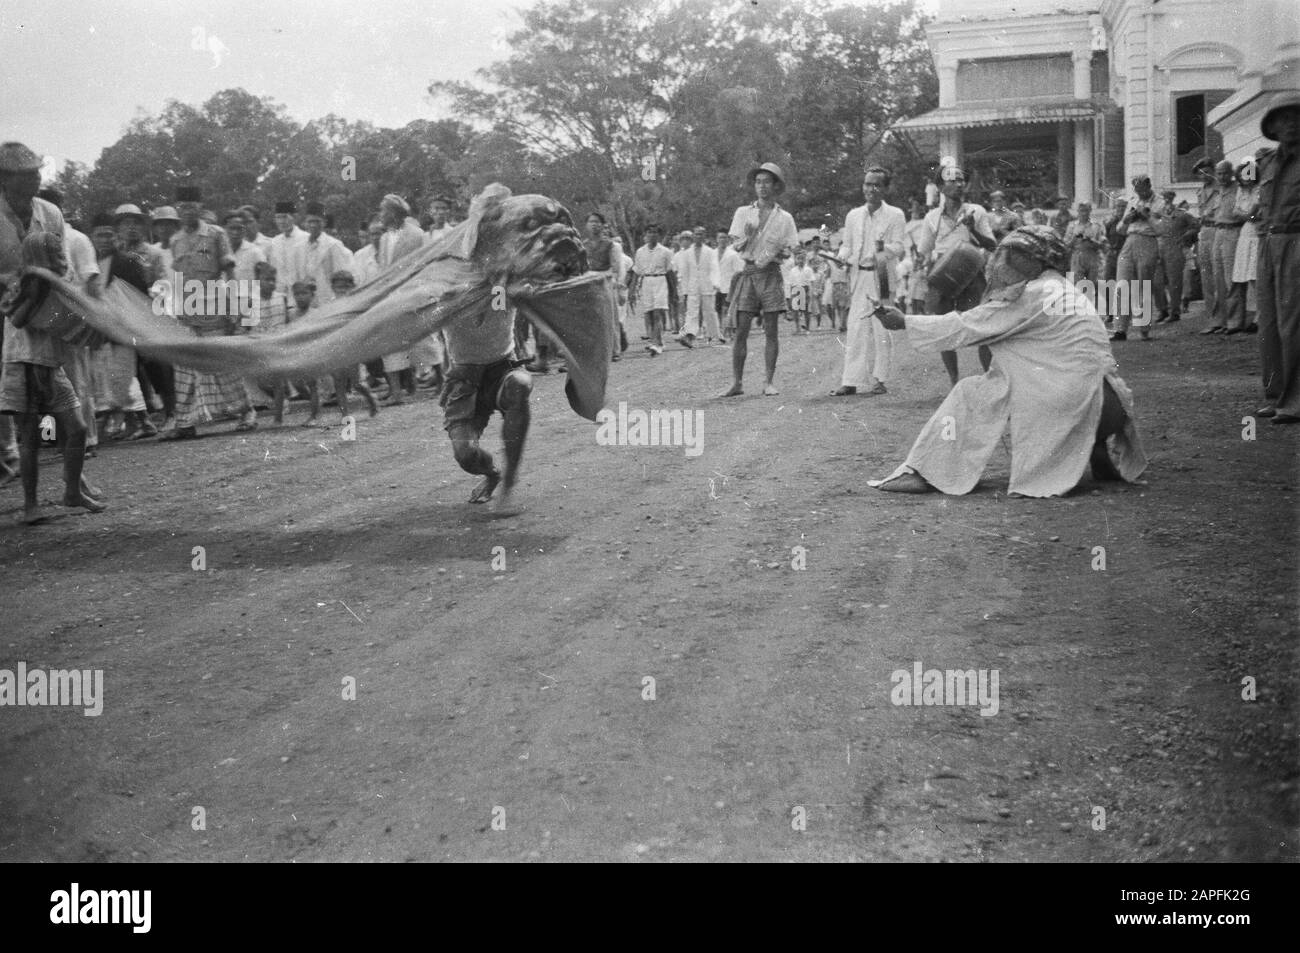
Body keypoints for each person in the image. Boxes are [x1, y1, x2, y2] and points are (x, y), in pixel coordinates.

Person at [870, 225, 1146, 497]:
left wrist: (905, 322)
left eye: (1013, 258)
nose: (1005, 265)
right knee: (1036, 369)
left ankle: (922, 472)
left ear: (1034, 262)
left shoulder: (1032, 294)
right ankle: (1097, 452)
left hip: (1072, 406)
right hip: (1112, 406)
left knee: (970, 392)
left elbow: (967, 326)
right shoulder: (1065, 289)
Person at [0, 141, 104, 522]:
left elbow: (61, 265)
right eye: (28, 173)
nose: (37, 178)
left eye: (37, 171)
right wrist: (24, 285)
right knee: (31, 430)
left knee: (73, 426)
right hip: (21, 343)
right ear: (5, 179)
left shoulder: (51, 213)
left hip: (51, 337)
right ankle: (31, 502)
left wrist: (54, 283)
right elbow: (16, 312)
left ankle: (72, 488)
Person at [160, 184, 257, 440]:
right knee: (184, 369)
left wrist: (235, 307)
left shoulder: (215, 234)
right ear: (178, 210)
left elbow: (230, 272)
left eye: (192, 206)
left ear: (200, 208)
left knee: (221, 365)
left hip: (215, 307)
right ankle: (185, 423)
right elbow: (179, 277)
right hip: (188, 311)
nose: (187, 211)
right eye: (183, 207)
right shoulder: (175, 240)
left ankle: (246, 412)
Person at [439, 272, 535, 504]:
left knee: (519, 386)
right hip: (464, 379)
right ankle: (493, 475)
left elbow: (534, 294)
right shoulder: (445, 289)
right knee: (466, 455)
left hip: (503, 369)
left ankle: (509, 483)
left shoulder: (505, 285)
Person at [915, 160, 997, 385]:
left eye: (961, 180)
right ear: (941, 187)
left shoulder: (977, 211)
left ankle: (991, 378)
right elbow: (924, 252)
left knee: (982, 328)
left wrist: (972, 229)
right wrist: (921, 274)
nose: (959, 184)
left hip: (971, 271)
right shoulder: (932, 218)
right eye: (952, 180)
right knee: (944, 329)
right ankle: (954, 380)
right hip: (944, 275)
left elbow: (992, 245)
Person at [721, 162, 798, 397]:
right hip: (749, 272)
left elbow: (790, 249)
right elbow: (736, 245)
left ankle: (769, 381)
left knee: (771, 331)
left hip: (771, 275)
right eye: (758, 182)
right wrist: (749, 233)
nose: (762, 186)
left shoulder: (784, 217)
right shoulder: (743, 212)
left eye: (767, 182)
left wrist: (779, 252)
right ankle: (737, 382)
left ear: (776, 186)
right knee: (741, 330)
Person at [832, 165, 905, 396]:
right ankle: (851, 380)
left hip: (882, 273)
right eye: (867, 184)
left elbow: (899, 246)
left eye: (876, 185)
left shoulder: (895, 214)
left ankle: (880, 379)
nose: (871, 189)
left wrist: (880, 252)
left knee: (882, 329)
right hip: (859, 275)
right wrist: (842, 257)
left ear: (885, 189)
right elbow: (847, 245)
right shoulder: (853, 215)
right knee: (855, 328)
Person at [1253, 94, 1300, 423]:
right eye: (1282, 119)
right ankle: (1274, 394)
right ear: (1272, 126)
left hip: (1296, 241)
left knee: (1293, 324)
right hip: (1268, 243)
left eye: (1296, 117)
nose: (1290, 124)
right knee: (1267, 323)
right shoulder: (1266, 163)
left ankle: (1295, 400)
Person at [88, 212, 153, 441]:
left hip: (124, 328)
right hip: (100, 330)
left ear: (116, 237)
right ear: (92, 237)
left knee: (123, 375)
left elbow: (140, 296)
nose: (104, 240)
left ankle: (140, 421)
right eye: (100, 235)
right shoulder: (90, 264)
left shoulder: (126, 261)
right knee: (111, 377)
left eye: (108, 235)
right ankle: (136, 421)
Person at [377, 194, 425, 402]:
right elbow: (383, 268)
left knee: (422, 341)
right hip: (390, 296)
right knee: (389, 342)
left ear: (394, 213)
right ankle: (396, 390)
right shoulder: (384, 238)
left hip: (411, 292)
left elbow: (423, 263)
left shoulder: (416, 234)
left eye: (384, 211)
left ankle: (433, 382)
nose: (381, 215)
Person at [1111, 175, 1166, 342]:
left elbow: (1161, 228)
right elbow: (1120, 229)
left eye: (1142, 188)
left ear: (1149, 186)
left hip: (1148, 240)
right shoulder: (1133, 201)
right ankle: (1120, 329)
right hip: (1129, 241)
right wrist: (1127, 219)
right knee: (1122, 285)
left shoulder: (1160, 202)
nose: (1140, 192)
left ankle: (1144, 328)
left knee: (1143, 285)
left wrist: (1147, 216)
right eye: (1136, 189)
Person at [1207, 159, 1249, 334]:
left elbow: (1243, 213)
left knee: (1231, 278)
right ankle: (1219, 321)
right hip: (1218, 233)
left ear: (1231, 173)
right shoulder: (1216, 192)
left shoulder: (1239, 189)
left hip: (1233, 232)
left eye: (1225, 173)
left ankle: (1234, 321)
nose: (1222, 177)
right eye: (1219, 173)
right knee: (1217, 278)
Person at [673, 225, 722, 348]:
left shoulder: (710, 252)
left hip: (707, 284)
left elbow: (714, 268)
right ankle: (690, 336)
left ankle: (716, 334)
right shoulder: (687, 253)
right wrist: (684, 288)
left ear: (704, 236)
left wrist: (716, 283)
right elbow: (684, 271)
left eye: (701, 234)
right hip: (692, 285)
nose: (698, 236)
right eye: (696, 234)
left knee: (709, 310)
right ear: (693, 236)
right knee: (692, 312)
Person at [1154, 189, 1196, 324]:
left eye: (1169, 197)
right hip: (1159, 247)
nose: (1167, 200)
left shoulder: (1181, 214)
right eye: (1164, 197)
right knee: (1157, 281)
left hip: (1175, 248)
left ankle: (1174, 312)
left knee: (1174, 282)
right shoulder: (1157, 214)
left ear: (1173, 198)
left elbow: (1196, 225)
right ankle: (1162, 310)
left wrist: (1187, 235)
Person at [1229, 159, 1261, 334]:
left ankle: (1260, 317)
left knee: (1256, 276)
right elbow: (1236, 213)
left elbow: (1255, 213)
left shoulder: (1259, 190)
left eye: (1250, 175)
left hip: (1257, 234)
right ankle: (1255, 314)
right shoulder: (1240, 191)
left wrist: (1248, 215)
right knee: (1248, 276)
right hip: (1246, 233)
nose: (1247, 179)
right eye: (1244, 175)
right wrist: (1248, 216)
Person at [632, 224, 673, 356]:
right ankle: (653, 340)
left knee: (657, 312)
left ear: (659, 235)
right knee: (648, 313)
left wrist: (674, 292)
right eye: (649, 232)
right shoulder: (640, 252)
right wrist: (632, 290)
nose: (652, 235)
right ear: (645, 234)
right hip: (646, 282)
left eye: (655, 232)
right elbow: (636, 272)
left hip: (660, 280)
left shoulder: (665, 251)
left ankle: (658, 343)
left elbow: (670, 272)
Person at [1063, 202, 1108, 320]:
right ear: (1077, 211)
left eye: (1086, 210)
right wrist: (1075, 238)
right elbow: (1066, 245)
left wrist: (1091, 240)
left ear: (1090, 211)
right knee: (1078, 286)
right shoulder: (1072, 225)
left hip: (1093, 256)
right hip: (1077, 256)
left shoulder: (1097, 226)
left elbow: (1103, 244)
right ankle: (1081, 314)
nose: (1083, 213)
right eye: (1081, 210)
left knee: (1094, 284)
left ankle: (1095, 314)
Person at [267, 200, 308, 296]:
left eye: (285, 217)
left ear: (294, 217)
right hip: (279, 296)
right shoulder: (274, 242)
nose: (281, 221)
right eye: (278, 217)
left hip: (301, 295)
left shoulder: (305, 239)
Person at [715, 229, 742, 340]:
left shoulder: (733, 254)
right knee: (717, 310)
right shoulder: (712, 253)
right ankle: (720, 331)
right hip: (716, 287)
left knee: (727, 310)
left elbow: (739, 272)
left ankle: (728, 332)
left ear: (728, 239)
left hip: (728, 287)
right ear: (717, 239)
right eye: (720, 237)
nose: (722, 240)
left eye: (725, 237)